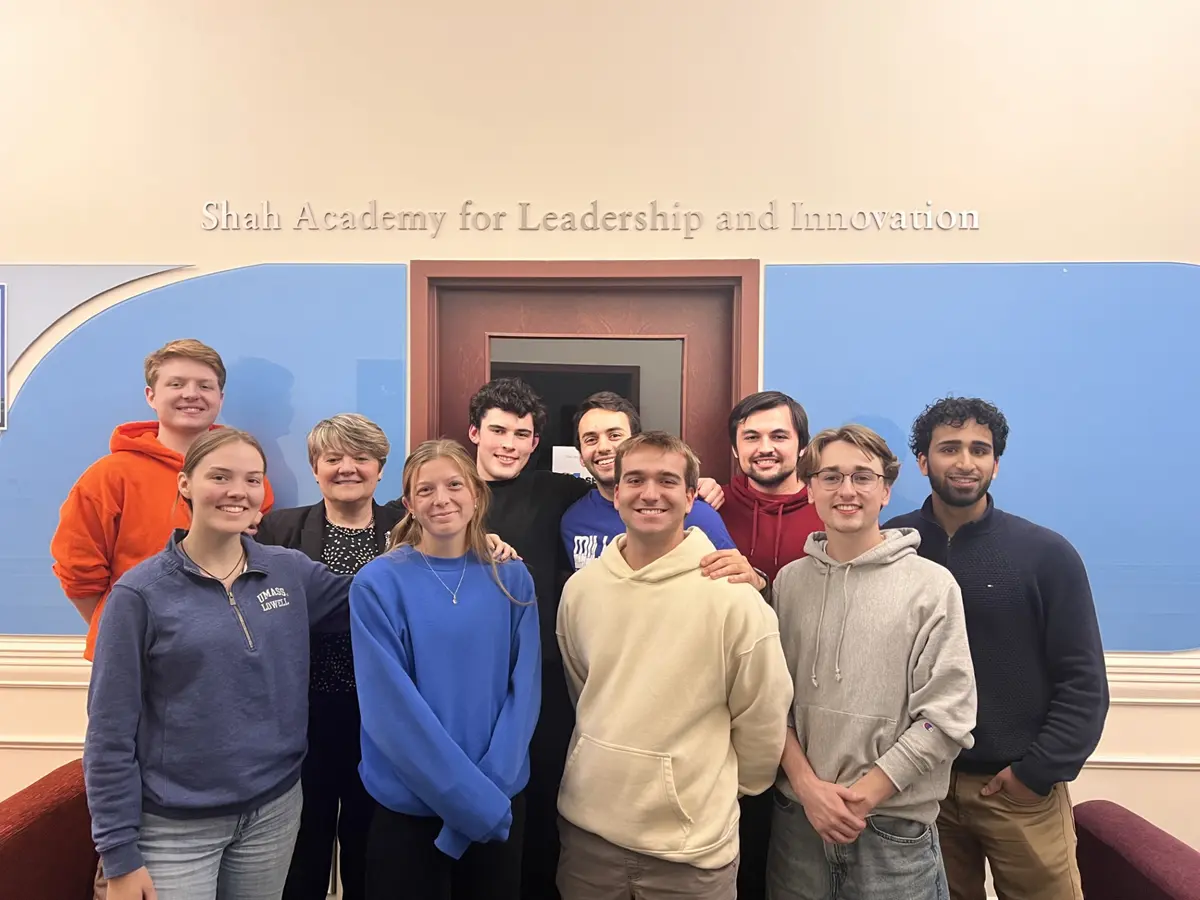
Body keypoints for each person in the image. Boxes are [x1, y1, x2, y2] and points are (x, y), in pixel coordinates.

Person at [390, 377, 728, 900]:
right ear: (474, 433)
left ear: (535, 443)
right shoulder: (441, 502)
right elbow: (410, 551)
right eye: (497, 430)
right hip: (455, 684)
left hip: (544, 679)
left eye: (521, 434)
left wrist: (700, 489)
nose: (508, 443)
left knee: (538, 807)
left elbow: (625, 489)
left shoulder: (560, 492)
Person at [83, 428, 353, 900]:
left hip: (275, 811)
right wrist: (119, 854)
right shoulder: (138, 594)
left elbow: (379, 596)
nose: (238, 491)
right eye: (220, 476)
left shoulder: (289, 571)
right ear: (185, 484)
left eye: (252, 479)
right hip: (174, 828)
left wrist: (470, 544)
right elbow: (109, 733)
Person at [884, 397, 1109, 900]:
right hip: (922, 793)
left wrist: (1036, 773)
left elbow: (1083, 681)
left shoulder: (1046, 554)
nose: (965, 462)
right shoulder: (891, 545)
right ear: (923, 461)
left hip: (1020, 794)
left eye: (979, 450)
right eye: (949, 448)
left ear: (996, 463)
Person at [555, 430, 794, 900]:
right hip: (588, 839)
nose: (649, 493)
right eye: (636, 479)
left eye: (667, 481)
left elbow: (763, 717)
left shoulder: (733, 599)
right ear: (616, 492)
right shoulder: (581, 592)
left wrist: (705, 789)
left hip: (691, 852)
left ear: (690, 498)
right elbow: (583, 689)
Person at [766, 423, 977, 899]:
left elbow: (947, 717)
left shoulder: (932, 587)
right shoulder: (789, 584)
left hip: (894, 834)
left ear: (885, 490)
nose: (847, 490)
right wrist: (807, 788)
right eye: (831, 476)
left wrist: (860, 800)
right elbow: (770, 704)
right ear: (810, 489)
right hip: (799, 826)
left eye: (863, 477)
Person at [351, 438, 541, 900]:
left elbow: (526, 690)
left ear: (476, 494)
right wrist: (471, 803)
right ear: (409, 504)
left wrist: (488, 794)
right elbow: (390, 712)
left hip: (497, 802)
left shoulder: (512, 577)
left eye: (455, 484)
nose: (442, 499)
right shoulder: (377, 583)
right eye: (425, 490)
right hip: (411, 809)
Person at [254, 414, 405, 900]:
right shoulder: (280, 528)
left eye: (361, 458)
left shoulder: (407, 528)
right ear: (315, 467)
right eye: (333, 457)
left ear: (380, 468)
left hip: (380, 717)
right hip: (303, 714)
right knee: (303, 842)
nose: (347, 468)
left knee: (371, 843)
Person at [51, 337, 275, 663]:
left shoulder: (251, 478)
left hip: (225, 653)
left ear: (220, 398)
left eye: (205, 385)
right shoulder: (109, 477)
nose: (191, 394)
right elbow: (79, 575)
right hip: (136, 654)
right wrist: (128, 626)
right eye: (176, 384)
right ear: (151, 396)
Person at [716, 390, 824, 900]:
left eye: (779, 436)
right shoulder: (704, 509)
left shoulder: (831, 509)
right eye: (751, 437)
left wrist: (764, 586)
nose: (765, 447)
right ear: (735, 449)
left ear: (800, 445)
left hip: (813, 722)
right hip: (726, 718)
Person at [560, 390, 744, 571]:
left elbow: (734, 584)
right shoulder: (573, 520)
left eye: (614, 435)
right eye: (591, 440)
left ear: (637, 444)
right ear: (581, 457)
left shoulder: (696, 513)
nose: (603, 447)